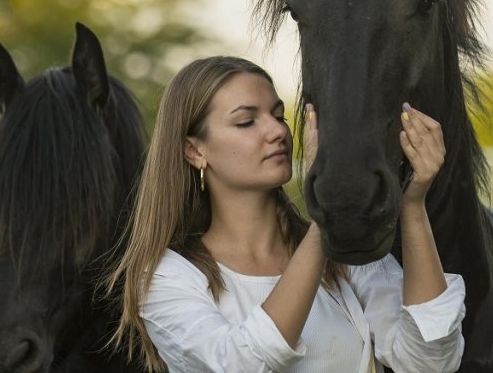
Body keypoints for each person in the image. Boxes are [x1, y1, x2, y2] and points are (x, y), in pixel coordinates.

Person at [106, 56, 465, 373]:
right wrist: (327, 212)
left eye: (279, 115)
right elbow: (242, 364)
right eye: (247, 122)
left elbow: (428, 362)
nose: (278, 131)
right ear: (194, 151)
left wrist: (412, 203)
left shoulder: (345, 258)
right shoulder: (168, 278)